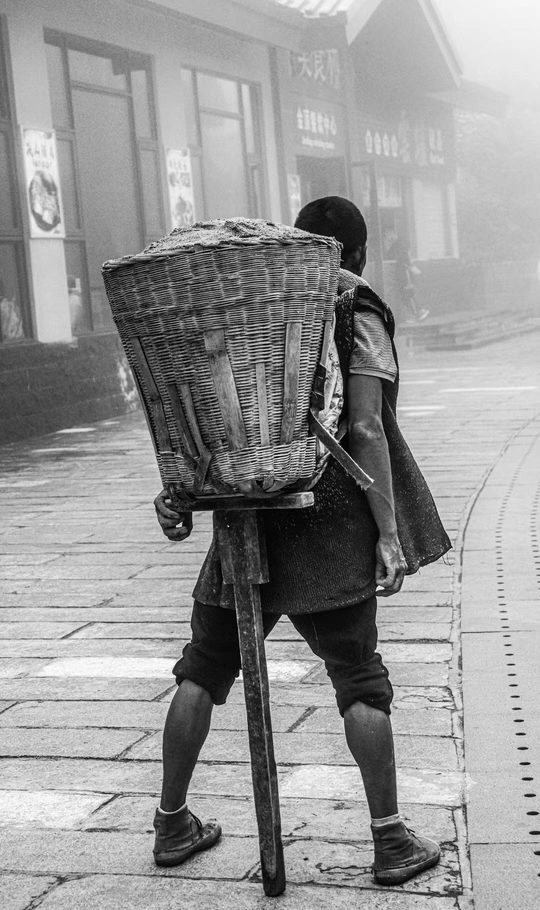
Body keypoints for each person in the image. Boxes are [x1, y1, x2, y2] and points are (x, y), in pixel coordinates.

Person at [152, 197, 451, 885]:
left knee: (203, 667)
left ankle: (171, 823)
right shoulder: (357, 309)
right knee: (358, 677)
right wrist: (388, 534)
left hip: (248, 511)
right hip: (329, 515)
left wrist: (182, 492)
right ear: (358, 252)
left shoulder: (254, 303)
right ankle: (390, 841)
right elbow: (365, 428)